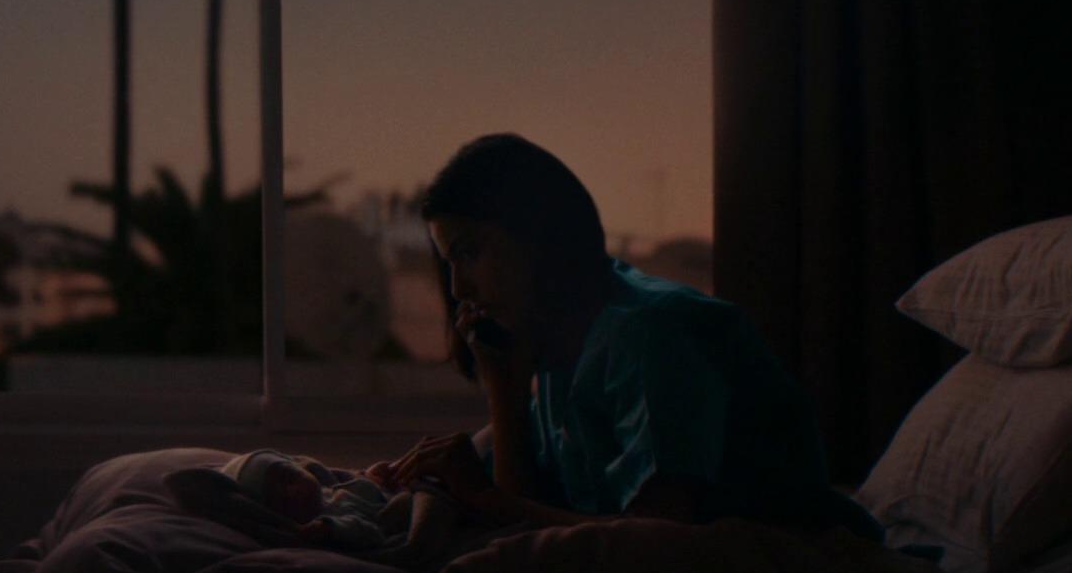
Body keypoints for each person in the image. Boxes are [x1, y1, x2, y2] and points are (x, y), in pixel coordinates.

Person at [372, 134, 880, 539]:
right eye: (450, 262)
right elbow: (524, 516)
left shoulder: (651, 334)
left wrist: (483, 498)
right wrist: (505, 393)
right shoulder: (554, 340)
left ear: (538, 234)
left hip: (789, 564)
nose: (459, 289)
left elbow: (655, 539)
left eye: (469, 253)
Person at [221, 449, 390, 549]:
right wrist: (330, 529)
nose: (292, 492)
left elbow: (356, 486)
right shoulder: (328, 521)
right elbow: (372, 533)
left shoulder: (328, 488)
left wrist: (369, 477)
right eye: (279, 499)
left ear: (304, 469)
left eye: (290, 477)